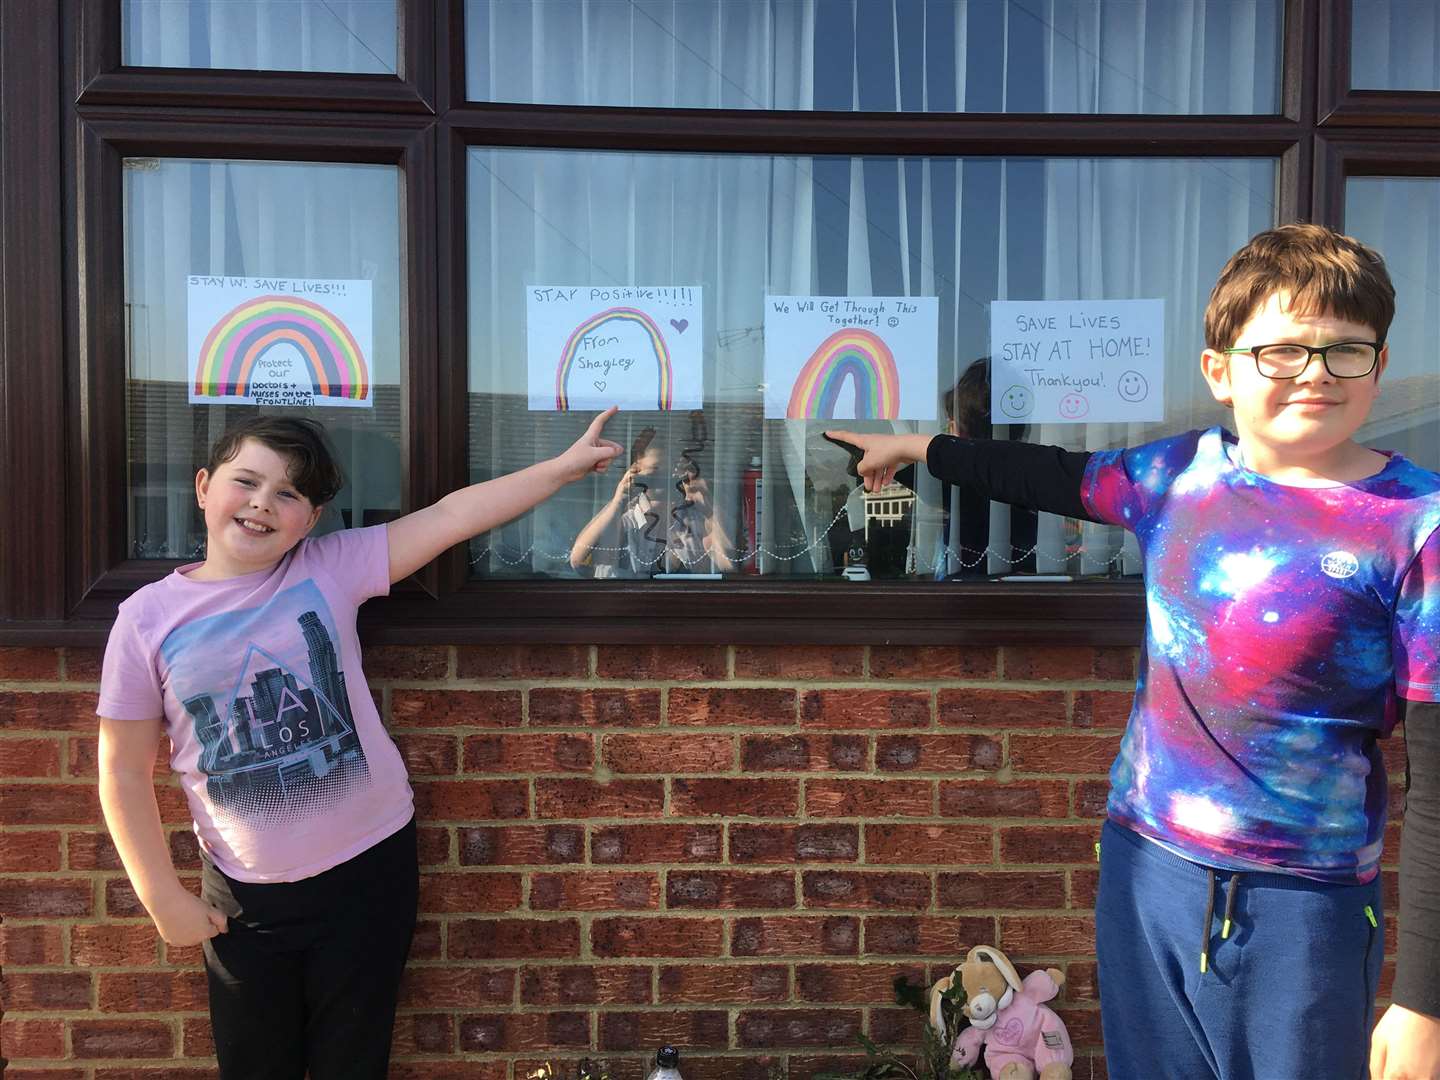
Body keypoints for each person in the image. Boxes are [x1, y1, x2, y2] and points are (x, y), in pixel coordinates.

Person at [827, 223, 1440, 1080]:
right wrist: (920, 449)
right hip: (1148, 869)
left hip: (1308, 904)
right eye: (1283, 350)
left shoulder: (1417, 525)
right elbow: (1048, 474)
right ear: (1220, 370)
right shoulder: (1175, 477)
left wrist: (1423, 1004)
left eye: (1346, 351)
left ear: (1377, 367)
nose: (1315, 373)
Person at [96, 408, 622, 1079]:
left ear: (310, 520)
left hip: (369, 874)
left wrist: (563, 468)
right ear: (203, 486)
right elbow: (122, 771)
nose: (262, 504)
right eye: (247, 481)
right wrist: (162, 898)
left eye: (288, 493)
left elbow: (450, 516)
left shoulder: (329, 568)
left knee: (355, 1062)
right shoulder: (146, 619)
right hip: (244, 900)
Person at [569, 411, 735, 577]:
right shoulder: (625, 516)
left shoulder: (695, 518)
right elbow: (578, 561)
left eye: (674, 471)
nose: (667, 478)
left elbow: (728, 566)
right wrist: (617, 502)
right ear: (636, 470)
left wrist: (710, 510)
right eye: (656, 471)